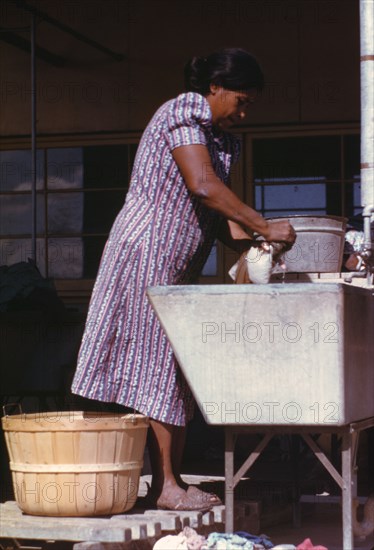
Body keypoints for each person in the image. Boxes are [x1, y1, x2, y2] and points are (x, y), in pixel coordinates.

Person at [71, 48, 296, 512]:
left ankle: (166, 480)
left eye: (250, 102)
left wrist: (259, 246)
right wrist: (264, 224)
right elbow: (203, 186)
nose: (244, 110)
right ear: (214, 87)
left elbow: (222, 216)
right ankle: (165, 485)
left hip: (176, 266)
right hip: (145, 254)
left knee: (170, 369)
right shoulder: (182, 112)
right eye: (240, 99)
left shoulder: (221, 139)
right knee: (155, 368)